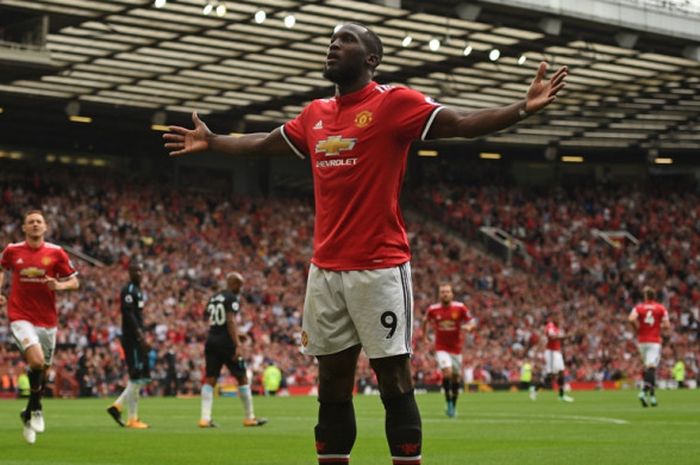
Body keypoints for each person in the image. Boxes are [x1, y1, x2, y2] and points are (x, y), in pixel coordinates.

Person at [164, 22, 567, 465]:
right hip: (325, 271)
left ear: (371, 59)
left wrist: (521, 109)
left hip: (379, 268)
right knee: (332, 384)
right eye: (332, 40)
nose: (335, 45)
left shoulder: (394, 103)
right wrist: (215, 141)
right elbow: (264, 143)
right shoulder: (314, 113)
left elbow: (463, 123)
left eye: (347, 40)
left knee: (393, 378)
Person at [0, 210, 79, 444]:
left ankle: (29, 410)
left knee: (43, 372)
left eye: (39, 222)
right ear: (24, 228)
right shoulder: (13, 250)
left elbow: (75, 280)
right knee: (35, 362)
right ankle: (36, 409)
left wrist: (60, 286)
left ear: (45, 227)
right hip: (20, 315)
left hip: (47, 321)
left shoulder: (56, 253)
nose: (35, 225)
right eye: (30, 222)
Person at [199, 271, 266, 428]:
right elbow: (230, 320)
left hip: (211, 340)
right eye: (239, 285)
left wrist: (237, 333)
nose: (240, 289)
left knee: (210, 379)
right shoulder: (231, 298)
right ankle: (249, 417)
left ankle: (204, 418)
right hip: (226, 343)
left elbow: (217, 322)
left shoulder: (213, 297)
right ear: (233, 283)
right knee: (242, 377)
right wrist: (237, 344)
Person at [106, 261, 152, 428]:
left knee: (139, 377)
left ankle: (124, 411)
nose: (139, 273)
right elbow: (128, 314)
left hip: (137, 338)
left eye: (141, 270)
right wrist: (140, 336)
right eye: (136, 270)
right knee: (136, 375)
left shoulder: (138, 291)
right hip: (132, 339)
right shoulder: (129, 290)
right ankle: (126, 413)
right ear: (130, 273)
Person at [421, 283, 475, 418]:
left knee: (456, 377)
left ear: (452, 294)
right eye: (442, 292)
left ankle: (453, 404)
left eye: (447, 292)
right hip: (441, 347)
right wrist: (424, 336)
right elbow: (425, 320)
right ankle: (448, 401)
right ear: (439, 295)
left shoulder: (460, 307)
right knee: (447, 372)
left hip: (456, 349)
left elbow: (472, 321)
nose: (445, 294)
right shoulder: (433, 309)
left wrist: (469, 327)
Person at [628, 286, 670, 407]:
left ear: (645, 296)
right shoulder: (661, 308)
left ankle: (652, 397)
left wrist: (637, 329)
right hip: (654, 341)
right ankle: (643, 392)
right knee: (651, 368)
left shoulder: (639, 307)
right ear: (654, 296)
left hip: (641, 341)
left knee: (648, 369)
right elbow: (667, 326)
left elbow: (631, 319)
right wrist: (657, 326)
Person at [541, 313, 574, 402]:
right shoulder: (550, 326)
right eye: (557, 317)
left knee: (561, 372)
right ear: (553, 318)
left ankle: (561, 395)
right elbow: (552, 337)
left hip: (557, 352)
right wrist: (566, 336)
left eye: (560, 318)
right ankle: (536, 389)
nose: (559, 319)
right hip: (551, 352)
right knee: (552, 375)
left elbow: (559, 339)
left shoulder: (558, 328)